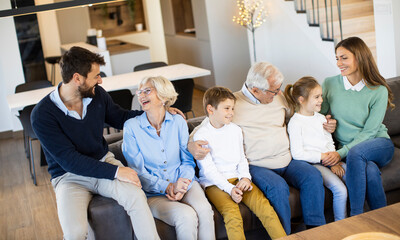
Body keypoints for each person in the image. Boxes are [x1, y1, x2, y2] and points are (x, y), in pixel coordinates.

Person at [31, 46, 164, 239]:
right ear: (77, 78)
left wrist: (155, 114)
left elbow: (121, 118)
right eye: (96, 76)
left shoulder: (97, 95)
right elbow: (70, 161)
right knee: (74, 233)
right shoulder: (42, 115)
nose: (100, 80)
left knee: (136, 196)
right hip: (69, 177)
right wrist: (118, 171)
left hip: (103, 161)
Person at [189, 62, 337, 234]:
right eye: (273, 90)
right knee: (278, 188)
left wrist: (326, 125)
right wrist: (191, 144)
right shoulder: (233, 105)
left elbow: (302, 116)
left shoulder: (278, 98)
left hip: (287, 160)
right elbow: (206, 125)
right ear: (255, 89)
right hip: (258, 165)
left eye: (278, 88)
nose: (279, 93)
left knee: (312, 177)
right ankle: (284, 236)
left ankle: (315, 232)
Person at [122, 76, 215, 240]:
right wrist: (167, 187)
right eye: (140, 91)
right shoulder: (132, 127)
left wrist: (182, 183)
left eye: (147, 91)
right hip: (153, 194)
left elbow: (187, 160)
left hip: (184, 182)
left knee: (205, 210)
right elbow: (137, 172)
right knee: (186, 216)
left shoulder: (178, 121)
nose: (141, 95)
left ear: (164, 97)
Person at [193, 86, 286, 240]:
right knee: (233, 214)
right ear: (211, 109)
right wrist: (230, 189)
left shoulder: (235, 130)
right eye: (226, 108)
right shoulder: (201, 135)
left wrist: (245, 178)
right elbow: (209, 171)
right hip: (214, 184)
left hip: (238, 178)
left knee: (264, 207)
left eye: (233, 108)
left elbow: (242, 158)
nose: (231, 113)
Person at [321, 37, 395, 216]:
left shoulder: (378, 90)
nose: (339, 63)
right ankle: (383, 221)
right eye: (337, 58)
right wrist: (327, 123)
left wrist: (340, 153)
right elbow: (320, 117)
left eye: (344, 58)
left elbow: (370, 133)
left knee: (357, 152)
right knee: (369, 171)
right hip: (352, 151)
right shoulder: (330, 83)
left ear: (359, 57)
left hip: (378, 144)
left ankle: (355, 216)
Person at [284, 76, 347, 221]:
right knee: (340, 190)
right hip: (314, 164)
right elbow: (298, 154)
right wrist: (324, 158)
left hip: (329, 160)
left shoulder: (321, 118)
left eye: (321, 96)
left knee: (353, 176)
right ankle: (341, 224)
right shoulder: (295, 123)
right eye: (316, 97)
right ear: (301, 100)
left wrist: (334, 160)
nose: (321, 100)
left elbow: (329, 142)